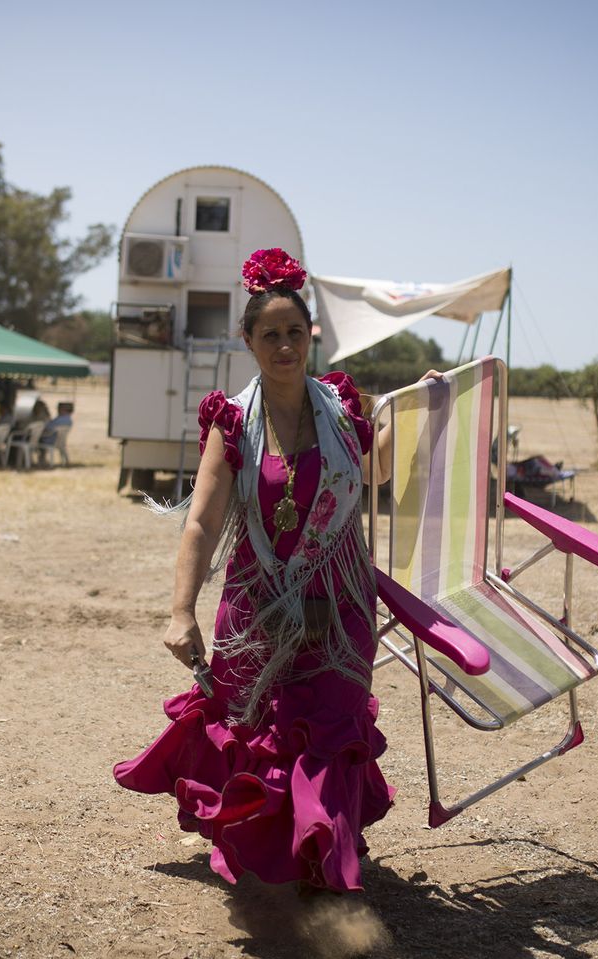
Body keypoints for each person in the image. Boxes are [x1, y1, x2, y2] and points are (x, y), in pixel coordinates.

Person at [113, 249, 435, 898]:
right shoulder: (231, 423)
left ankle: (324, 870)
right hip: (257, 613)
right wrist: (181, 611)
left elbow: (374, 476)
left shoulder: (344, 409)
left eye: (296, 332)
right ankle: (282, 861)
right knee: (263, 736)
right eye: (270, 335)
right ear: (248, 342)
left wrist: (419, 417)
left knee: (332, 727)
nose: (285, 345)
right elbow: (201, 524)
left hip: (340, 603)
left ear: (310, 334)